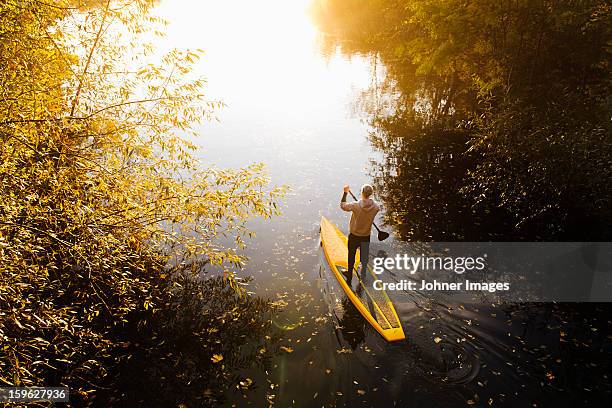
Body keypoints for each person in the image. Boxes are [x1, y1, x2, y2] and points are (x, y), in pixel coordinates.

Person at [340, 184, 380, 282]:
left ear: (362, 193)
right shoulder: (376, 207)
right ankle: (363, 274)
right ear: (371, 194)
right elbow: (371, 205)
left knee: (351, 255)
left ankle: (349, 273)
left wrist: (345, 193)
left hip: (354, 236)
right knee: (364, 257)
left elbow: (343, 206)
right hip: (366, 236)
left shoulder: (355, 205)